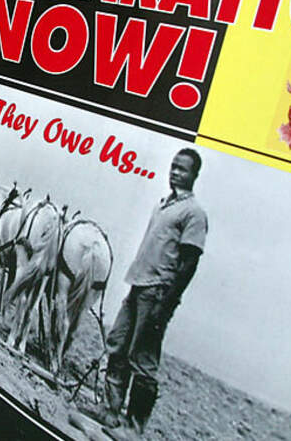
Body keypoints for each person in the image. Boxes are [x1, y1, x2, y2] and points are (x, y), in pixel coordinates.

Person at [97, 148, 207, 436]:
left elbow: (189, 264)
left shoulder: (194, 213)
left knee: (143, 359)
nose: (175, 172)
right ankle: (110, 412)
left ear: (194, 175)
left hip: (158, 292)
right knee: (117, 344)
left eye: (182, 169)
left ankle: (133, 429)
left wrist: (165, 306)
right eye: (173, 166)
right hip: (138, 284)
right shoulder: (163, 206)